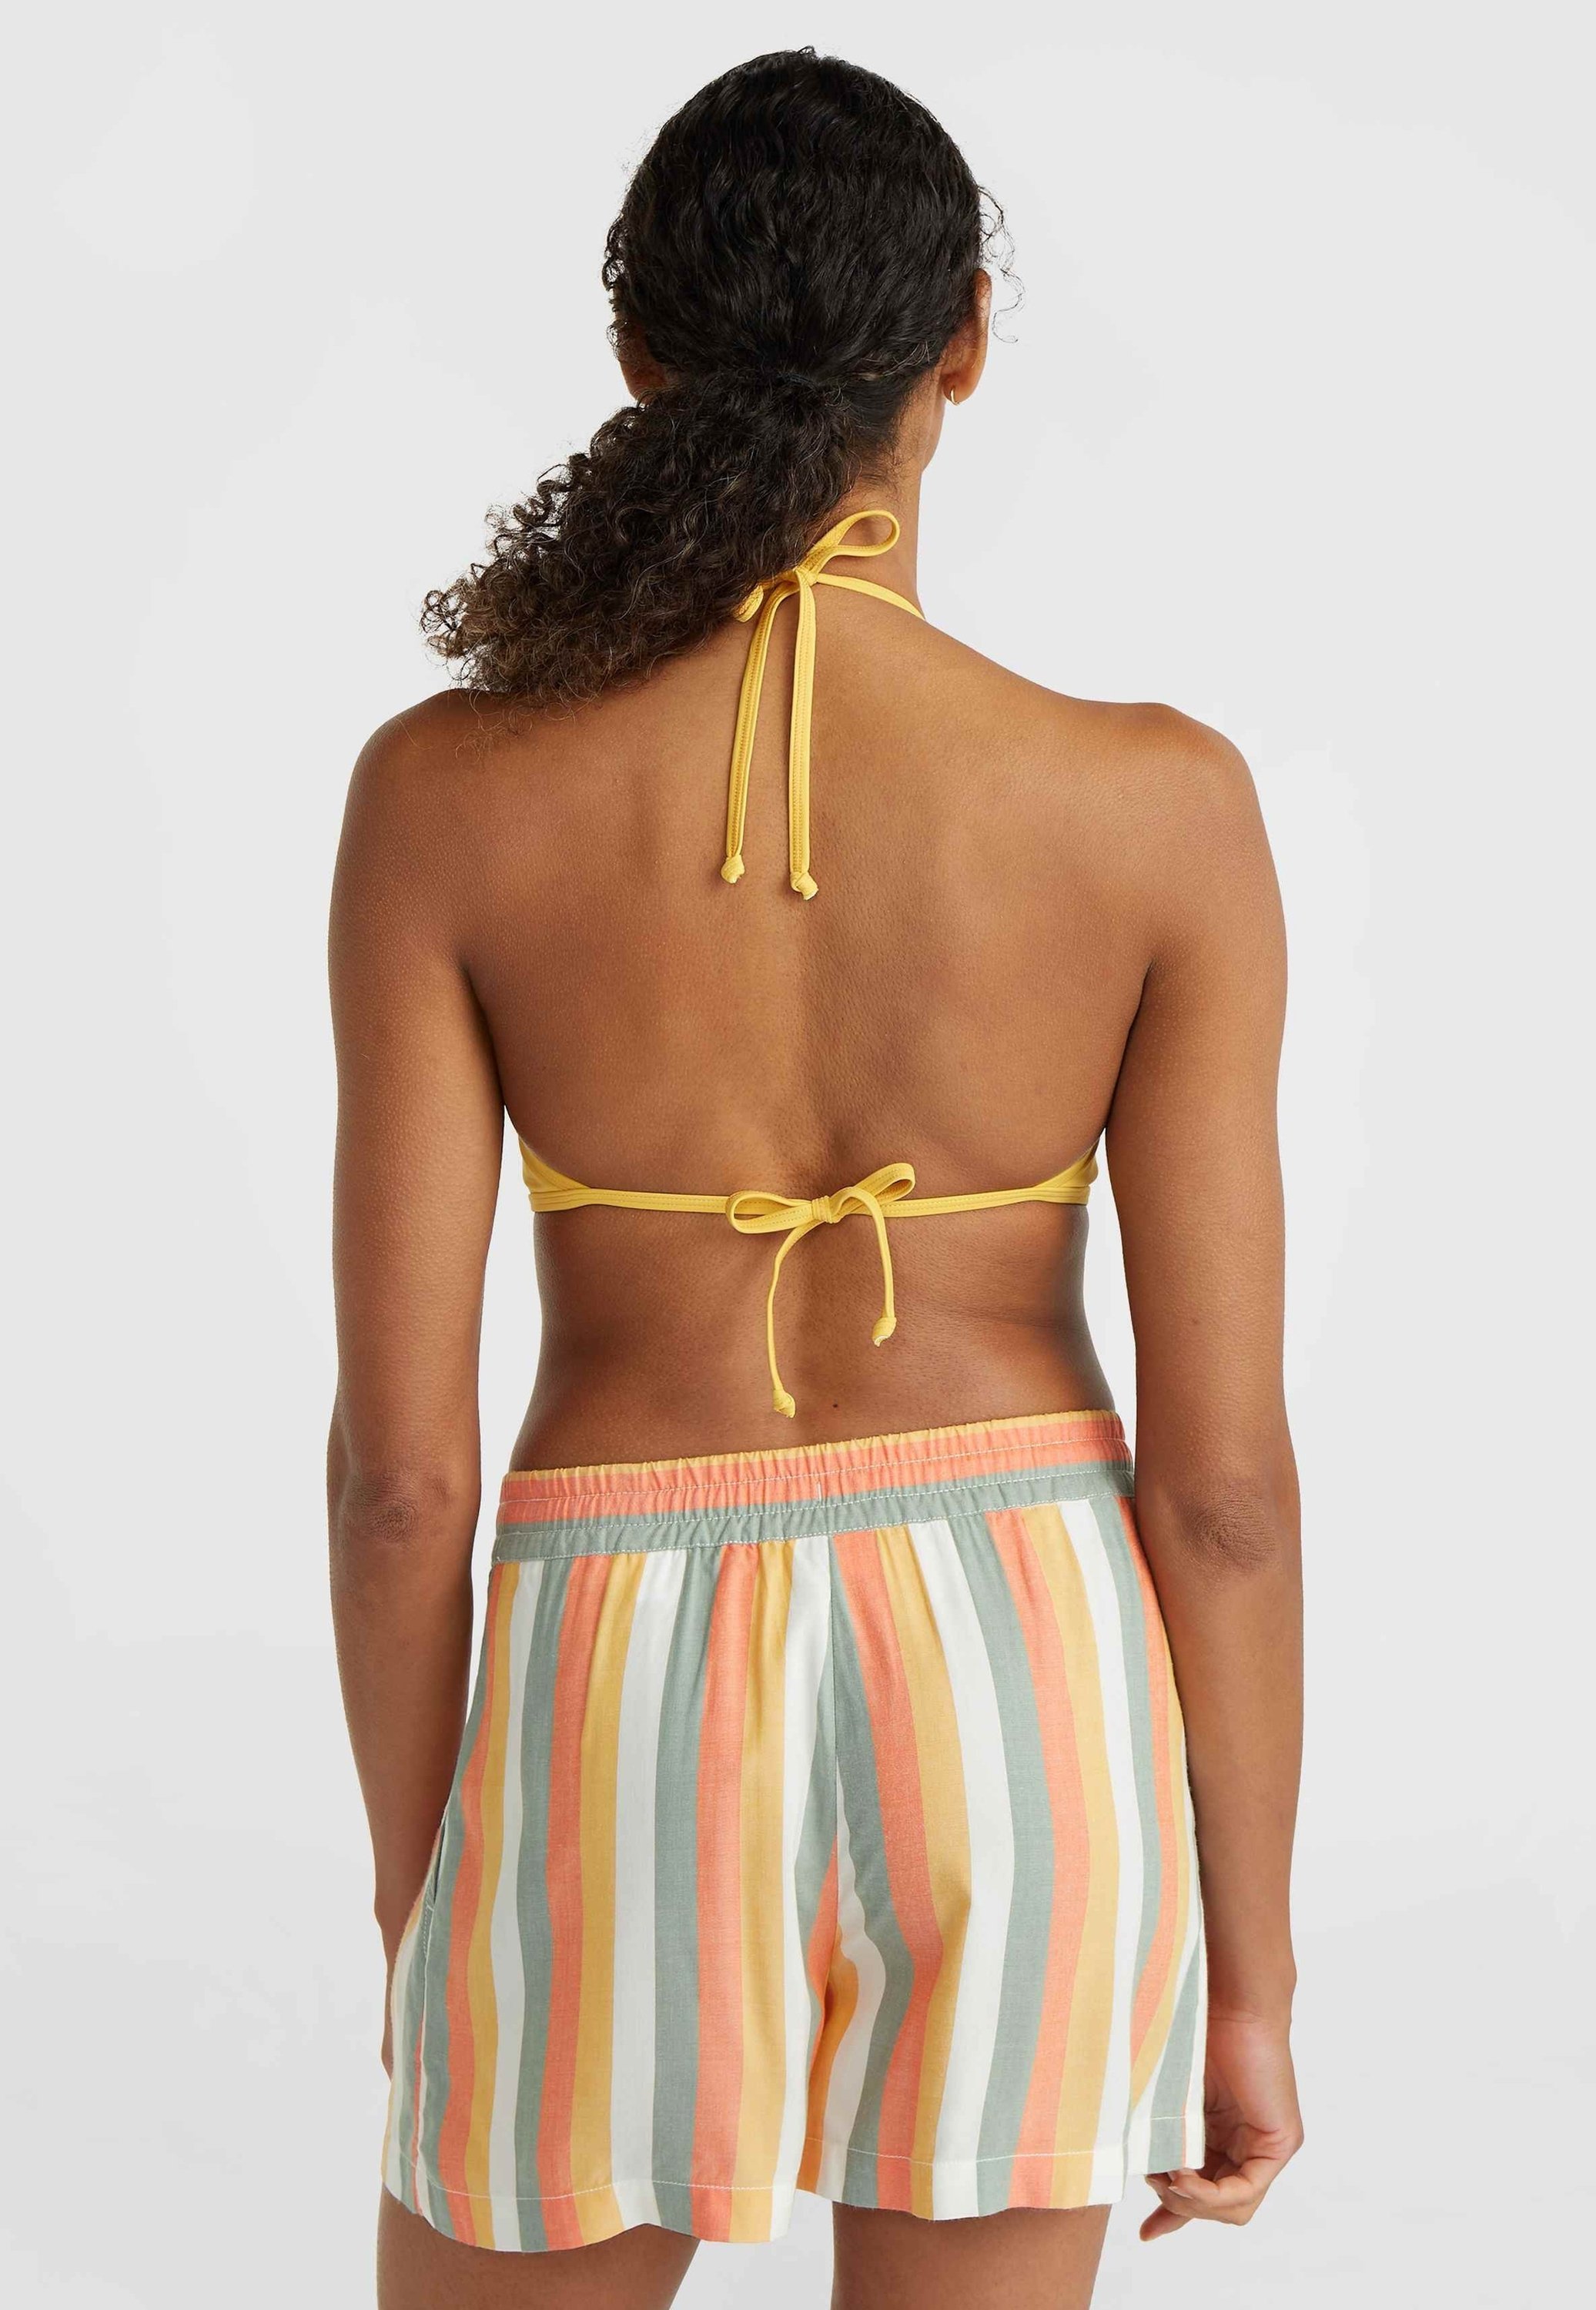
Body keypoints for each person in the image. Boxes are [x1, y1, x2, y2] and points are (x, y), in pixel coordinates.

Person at [328, 47, 1303, 2310]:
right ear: (962, 339)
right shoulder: (1154, 806)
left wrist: (426, 1905)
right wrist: (1244, 1973)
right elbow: (1228, 1490)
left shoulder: (446, 796)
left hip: (611, 1656)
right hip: (1026, 1658)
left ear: (635, 349)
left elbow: (398, 1481)